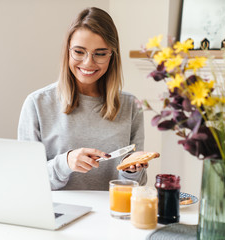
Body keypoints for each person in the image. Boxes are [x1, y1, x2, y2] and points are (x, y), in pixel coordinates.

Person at [18, 7, 148, 190]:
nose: (88, 63)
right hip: (58, 214)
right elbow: (27, 179)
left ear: (112, 55)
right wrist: (66, 163)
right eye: (79, 52)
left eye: (100, 54)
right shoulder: (37, 104)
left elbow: (136, 185)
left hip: (112, 213)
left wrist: (131, 171)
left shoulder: (131, 106)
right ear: (68, 51)